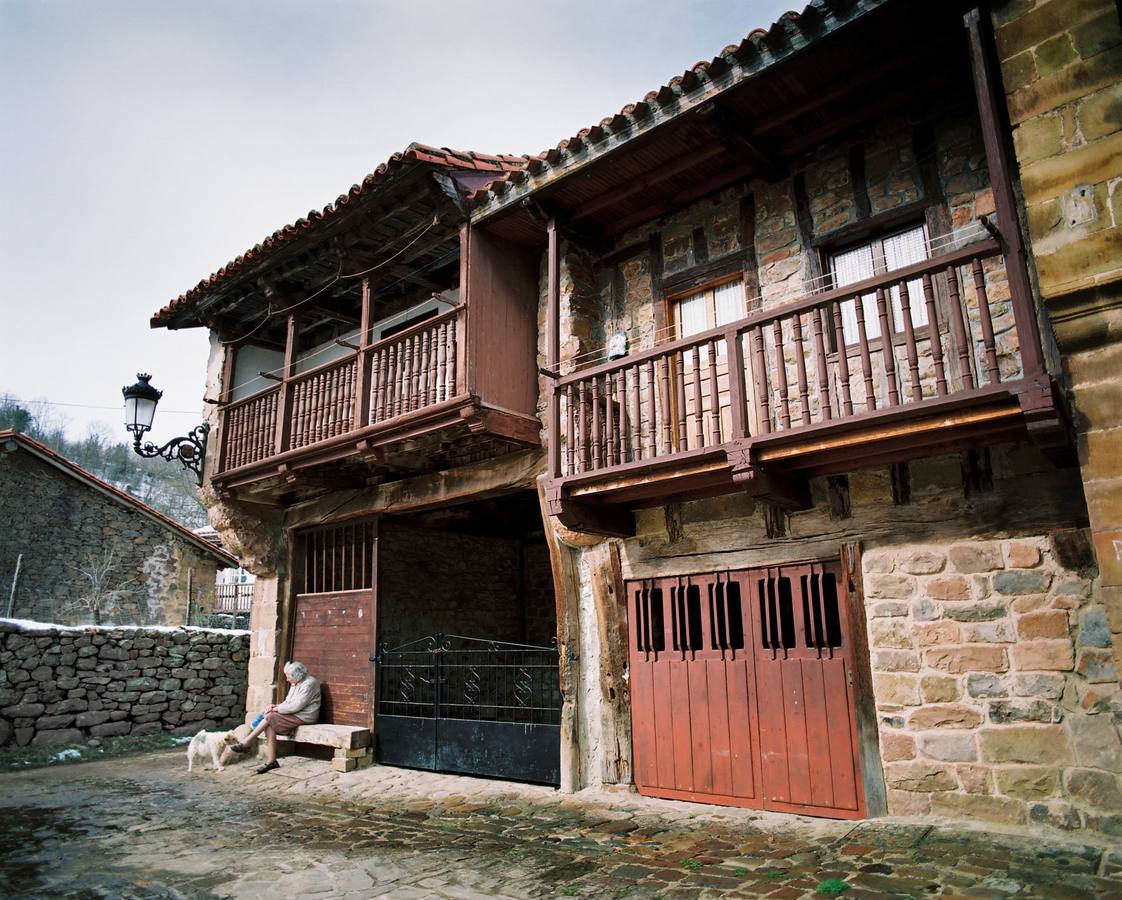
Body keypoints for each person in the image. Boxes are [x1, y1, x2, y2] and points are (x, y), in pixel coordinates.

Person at [232, 661, 321, 775]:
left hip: (305, 716)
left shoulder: (309, 684)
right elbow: (288, 702)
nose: (287, 679)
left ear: (298, 675)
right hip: (295, 713)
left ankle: (247, 742)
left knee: (270, 716)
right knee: (270, 723)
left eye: (289, 677)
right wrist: (276, 706)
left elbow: (297, 706)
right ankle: (271, 761)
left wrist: (276, 709)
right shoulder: (296, 682)